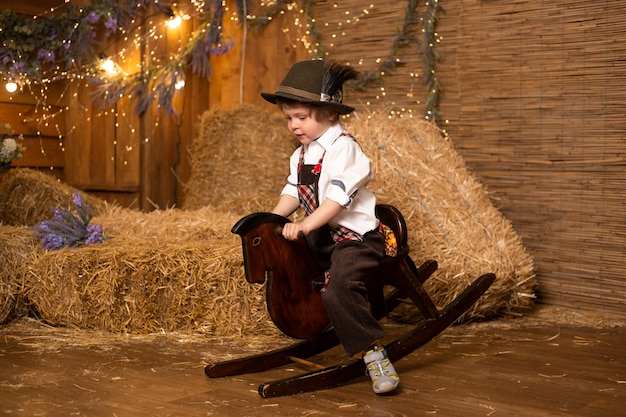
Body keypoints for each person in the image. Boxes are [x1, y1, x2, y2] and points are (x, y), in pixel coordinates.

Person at [261, 59, 400, 394]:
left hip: (356, 239)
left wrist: (304, 226)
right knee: (289, 264)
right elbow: (293, 191)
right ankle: (307, 321)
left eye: (302, 118)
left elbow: (336, 201)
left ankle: (373, 352)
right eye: (289, 118)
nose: (294, 125)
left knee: (338, 285)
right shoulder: (301, 155)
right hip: (322, 237)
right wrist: (273, 222)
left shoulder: (345, 149)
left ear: (330, 113)